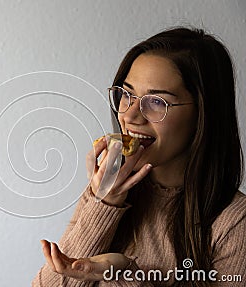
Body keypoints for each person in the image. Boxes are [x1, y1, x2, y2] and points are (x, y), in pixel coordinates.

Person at [32, 27, 245, 286]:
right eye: (127, 95)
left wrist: (125, 275)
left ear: (203, 114)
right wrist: (104, 202)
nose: (129, 116)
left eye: (156, 101)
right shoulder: (111, 188)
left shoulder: (235, 223)